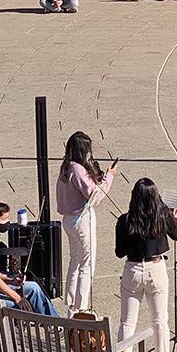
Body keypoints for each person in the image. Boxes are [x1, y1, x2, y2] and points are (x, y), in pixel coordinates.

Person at [113, 178, 177, 352]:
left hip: (133, 269)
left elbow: (119, 252)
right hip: (156, 268)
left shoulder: (125, 220)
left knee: (127, 321)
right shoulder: (162, 216)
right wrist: (174, 218)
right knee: (160, 319)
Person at [56, 131, 114, 312]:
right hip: (81, 218)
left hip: (68, 219)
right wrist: (109, 178)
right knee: (87, 264)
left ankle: (72, 301)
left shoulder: (66, 167)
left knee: (75, 260)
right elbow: (94, 196)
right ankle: (81, 307)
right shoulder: (77, 169)